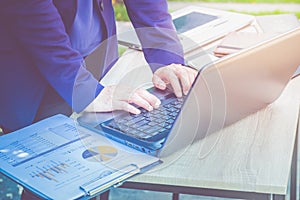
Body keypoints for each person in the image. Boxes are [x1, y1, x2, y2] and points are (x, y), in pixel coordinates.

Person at [0, 1, 196, 198]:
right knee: (53, 180)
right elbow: (30, 13)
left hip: (97, 54)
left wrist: (167, 60)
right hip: (34, 70)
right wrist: (85, 90)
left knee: (97, 171)